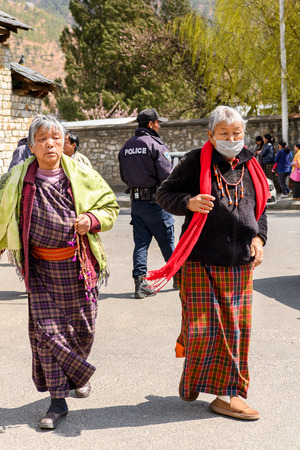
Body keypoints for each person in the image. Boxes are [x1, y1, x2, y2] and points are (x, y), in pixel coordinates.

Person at [148, 106, 269, 420]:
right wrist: (188, 201)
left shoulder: (251, 163)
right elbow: (164, 193)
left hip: (240, 262)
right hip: (199, 260)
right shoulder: (194, 162)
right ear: (211, 136)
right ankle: (195, 379)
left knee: (235, 332)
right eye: (224, 134)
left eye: (236, 133)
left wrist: (259, 239)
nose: (231, 139)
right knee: (203, 329)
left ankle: (226, 397)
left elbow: (261, 208)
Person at [0, 115, 119, 429]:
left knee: (83, 329)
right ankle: (57, 402)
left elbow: (110, 207)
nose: (49, 144)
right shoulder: (18, 178)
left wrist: (91, 220)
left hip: (79, 267)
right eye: (42, 139)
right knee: (47, 334)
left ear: (64, 142)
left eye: (55, 138)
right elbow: (2, 215)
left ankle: (76, 372)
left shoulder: (81, 173)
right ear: (31, 146)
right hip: (39, 270)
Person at [118, 108, 177, 299]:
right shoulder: (156, 145)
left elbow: (123, 176)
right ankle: (179, 278)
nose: (159, 126)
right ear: (151, 124)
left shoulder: (126, 146)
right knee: (167, 241)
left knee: (141, 244)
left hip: (137, 204)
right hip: (156, 203)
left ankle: (140, 283)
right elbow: (167, 176)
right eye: (158, 123)